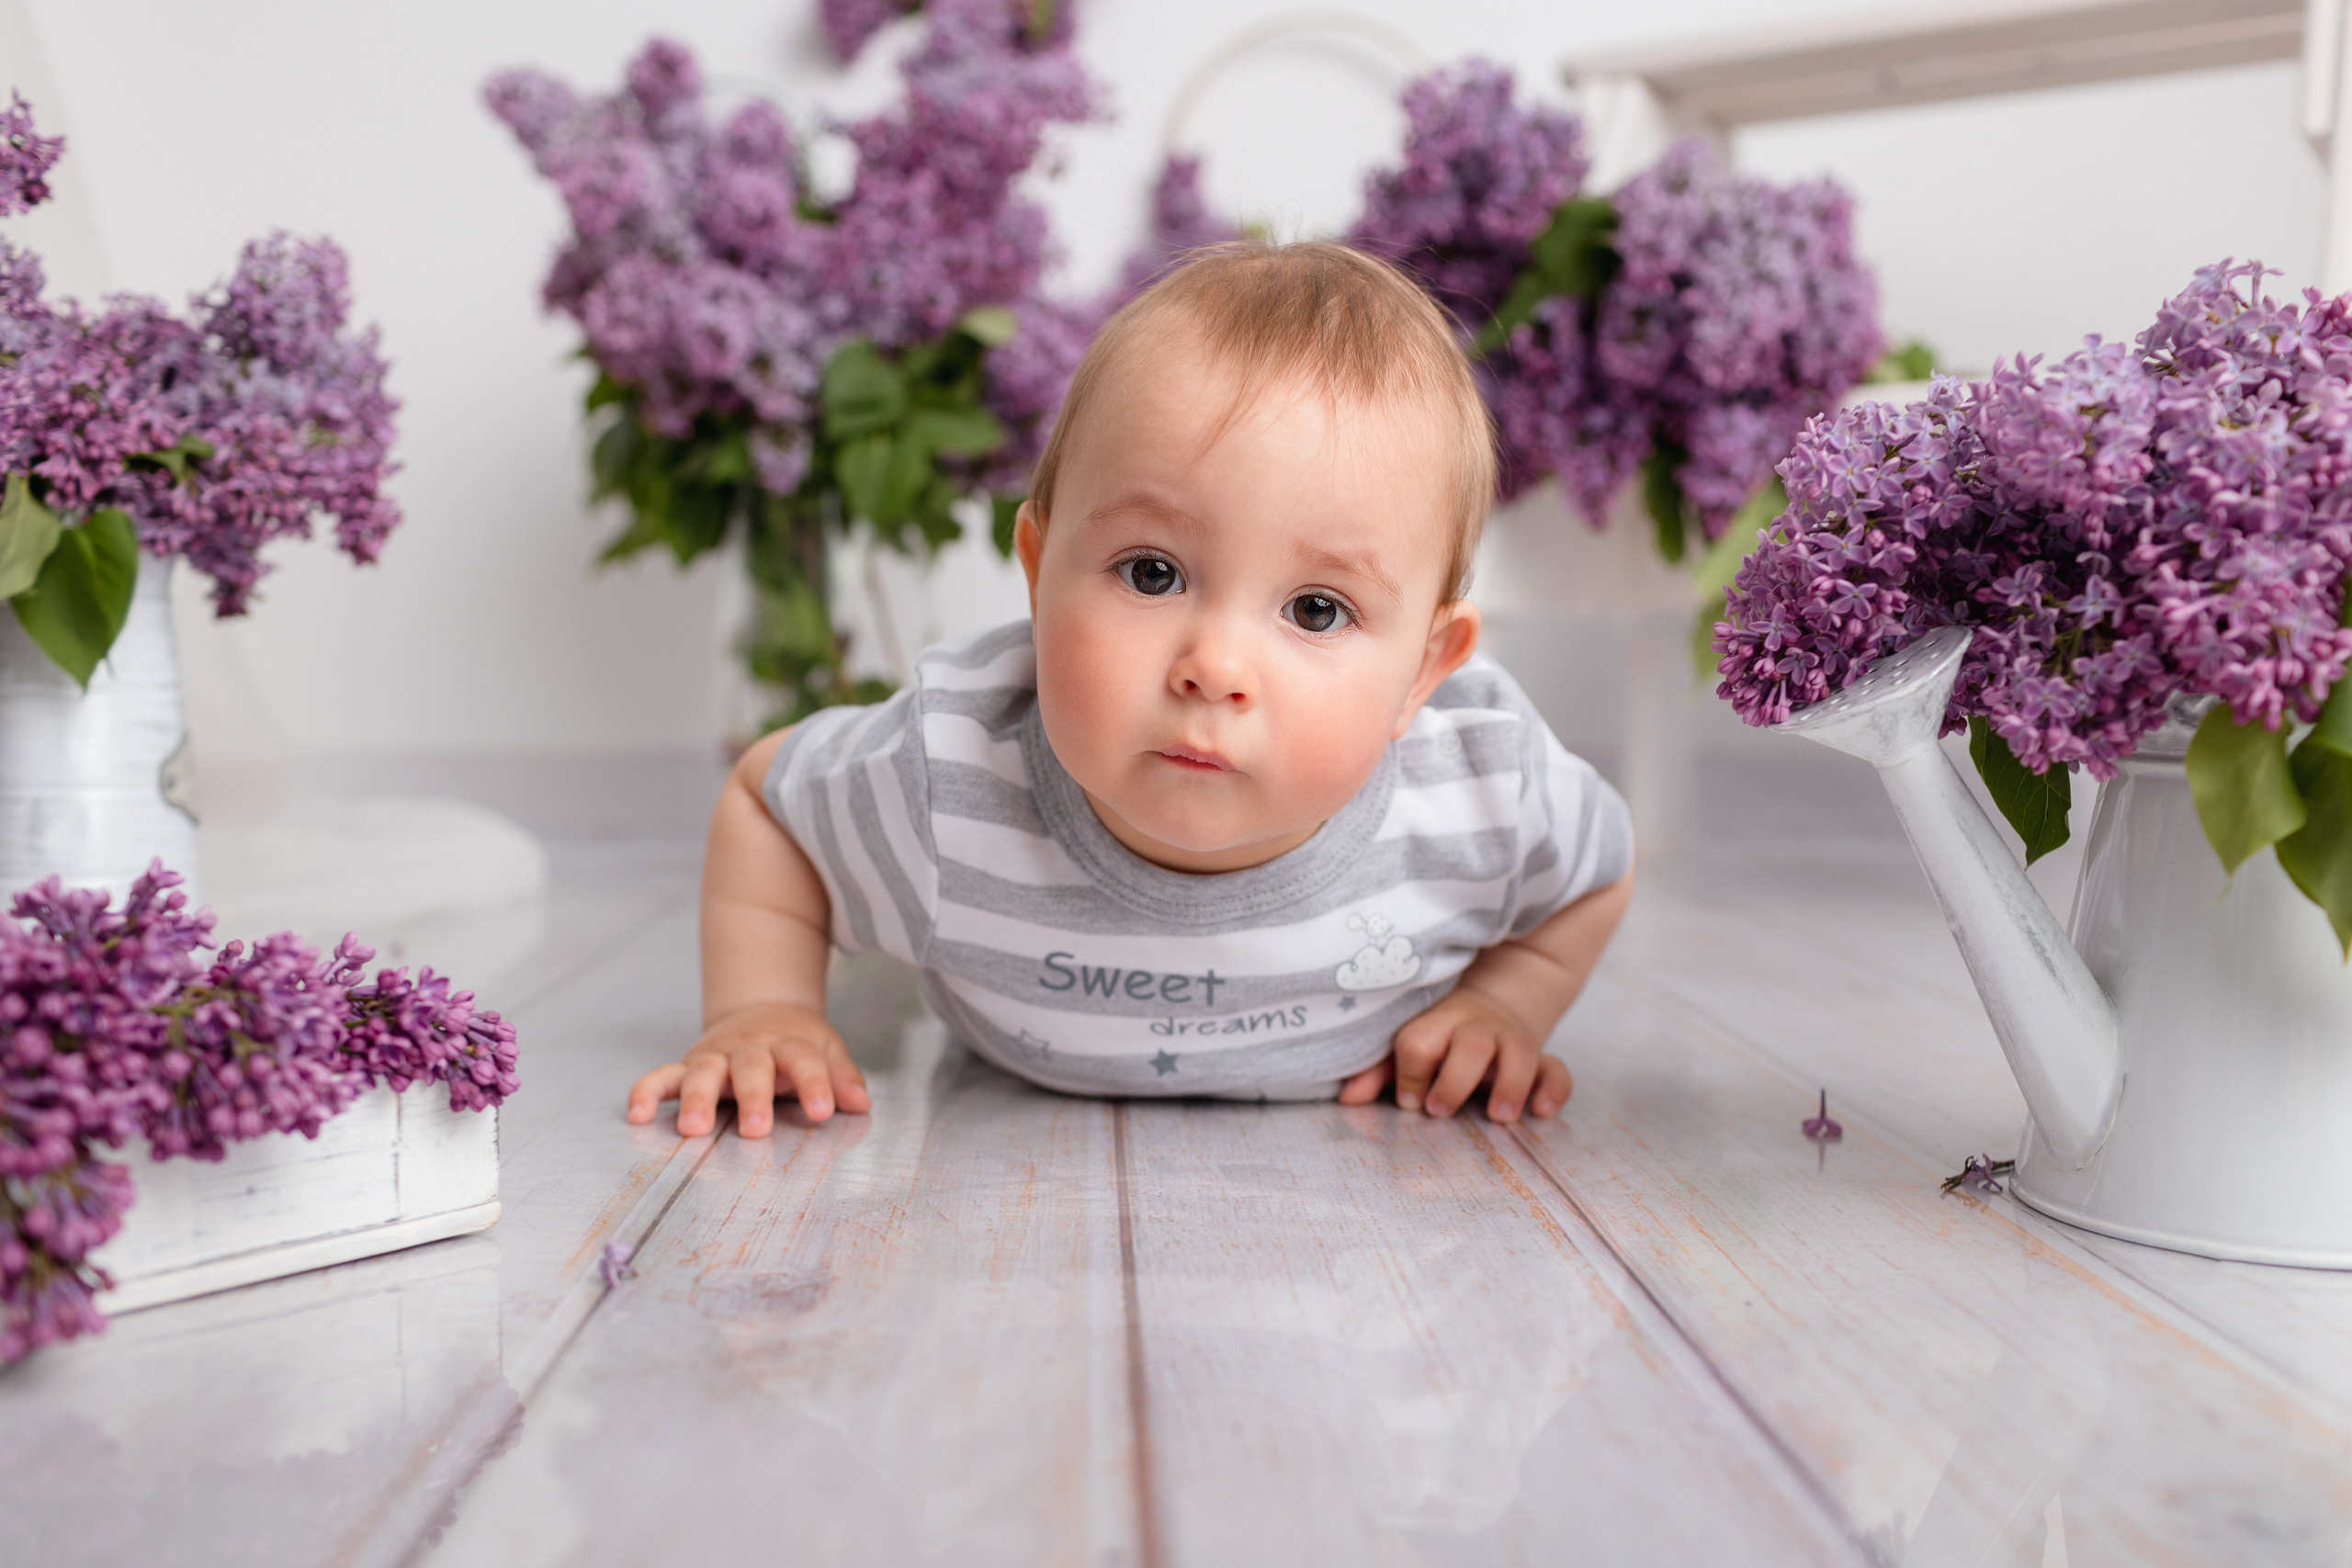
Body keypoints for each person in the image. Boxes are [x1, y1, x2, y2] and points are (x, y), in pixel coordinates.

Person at [627, 241, 1634, 1138]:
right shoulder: (951, 767)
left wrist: (1510, 1003)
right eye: (1152, 573)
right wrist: (765, 1010)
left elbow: (1599, 868)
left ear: (1422, 669)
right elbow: (770, 800)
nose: (1214, 668)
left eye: (1317, 611)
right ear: (1040, 568)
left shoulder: (1477, 789)